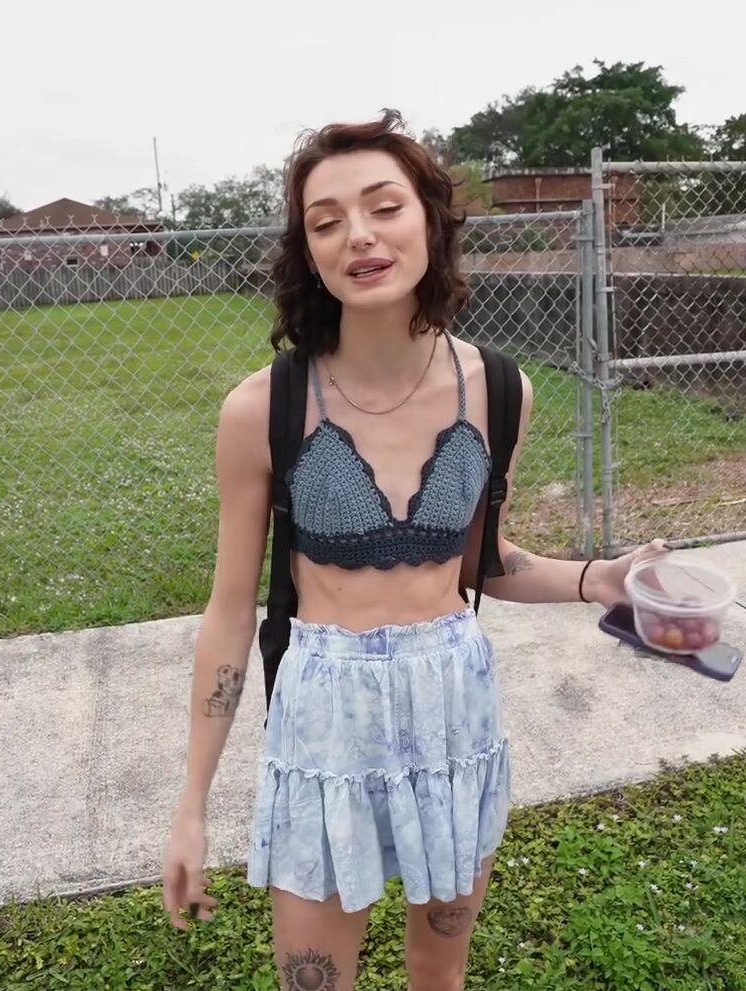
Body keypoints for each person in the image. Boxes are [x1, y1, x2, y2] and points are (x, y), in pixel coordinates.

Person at [160, 109, 666, 991]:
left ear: (430, 221)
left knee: (441, 968)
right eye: (326, 222)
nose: (358, 234)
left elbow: (481, 563)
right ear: (309, 252)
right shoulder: (263, 408)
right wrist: (192, 802)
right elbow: (231, 610)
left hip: (452, 708)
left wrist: (600, 578)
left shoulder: (500, 389)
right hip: (325, 719)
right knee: (314, 980)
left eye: (384, 206)